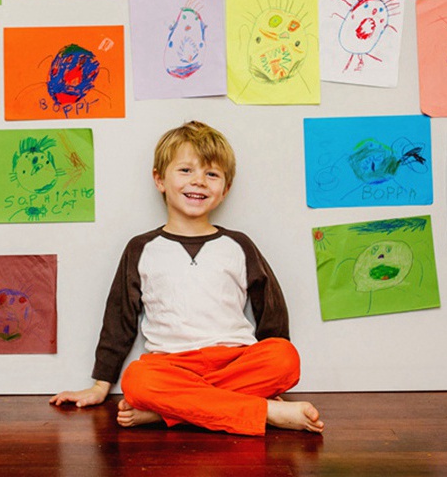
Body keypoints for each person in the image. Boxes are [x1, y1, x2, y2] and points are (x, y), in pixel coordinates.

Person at [50, 121, 324, 436]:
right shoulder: (141, 248)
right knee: (137, 381)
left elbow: (271, 310)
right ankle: (264, 412)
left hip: (235, 361)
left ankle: (167, 412)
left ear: (226, 188)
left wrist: (272, 366)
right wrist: (101, 385)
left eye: (212, 174)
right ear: (159, 179)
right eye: (185, 170)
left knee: (285, 358)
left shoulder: (239, 245)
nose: (199, 181)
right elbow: (119, 318)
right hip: (171, 366)